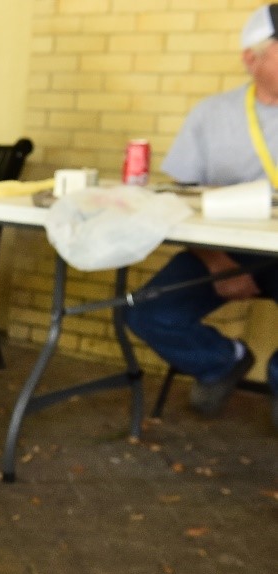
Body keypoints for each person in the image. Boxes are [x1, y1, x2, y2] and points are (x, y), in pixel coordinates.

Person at [126, 3, 278, 430]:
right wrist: (217, 263)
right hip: (224, 250)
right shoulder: (212, 115)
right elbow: (181, 200)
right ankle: (222, 360)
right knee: (146, 311)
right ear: (251, 58)